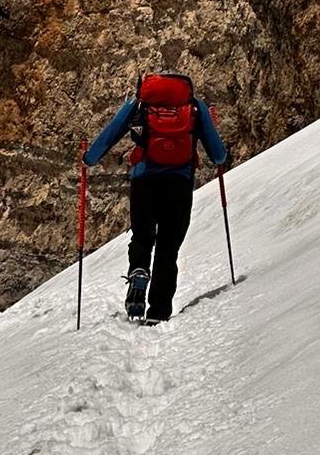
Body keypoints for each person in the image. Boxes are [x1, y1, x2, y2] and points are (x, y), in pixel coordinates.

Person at [83, 72, 227, 324]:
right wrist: (218, 156)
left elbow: (110, 134)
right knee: (168, 248)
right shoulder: (195, 106)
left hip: (144, 179)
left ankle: (139, 269)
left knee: (142, 236)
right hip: (180, 183)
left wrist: (88, 159)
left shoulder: (139, 104)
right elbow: (218, 155)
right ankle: (158, 312)